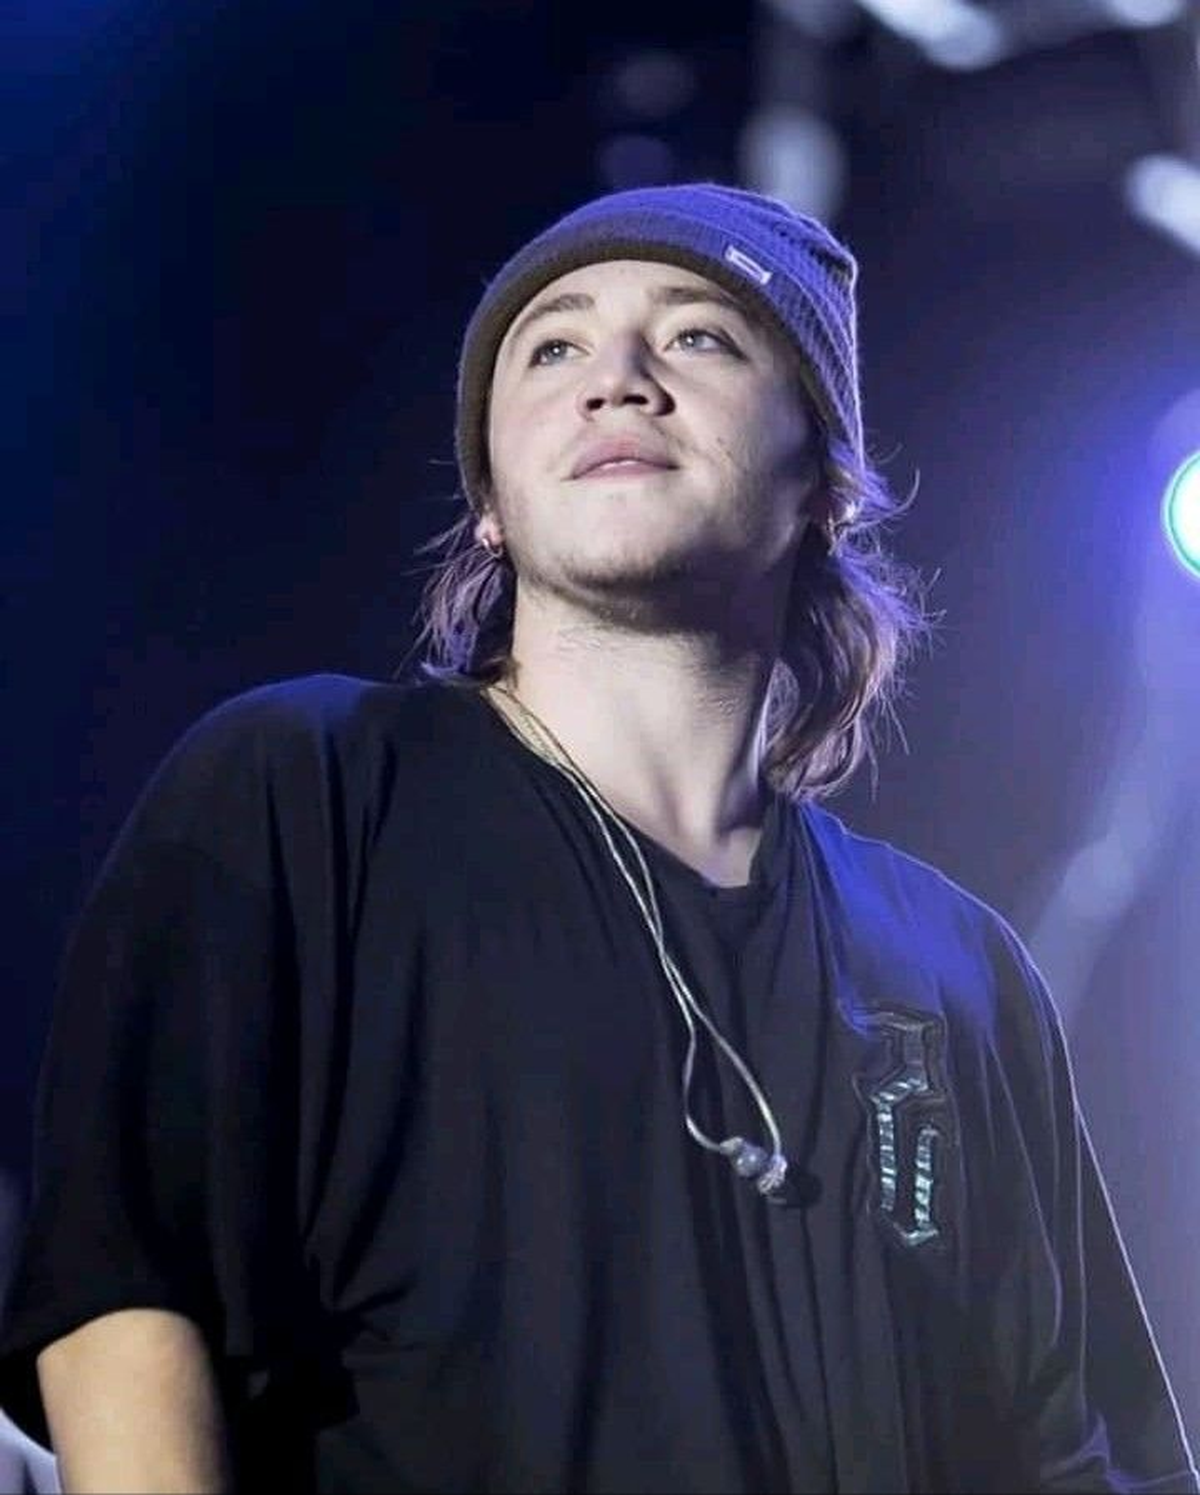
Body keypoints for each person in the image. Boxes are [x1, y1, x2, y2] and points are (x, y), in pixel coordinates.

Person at [0, 182, 1195, 1494]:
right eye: (554, 346)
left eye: (698, 336)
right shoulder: (306, 790)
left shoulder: (958, 966)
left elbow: (1075, 1449)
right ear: (490, 502)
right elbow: (130, 1292)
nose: (616, 378)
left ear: (823, 482)